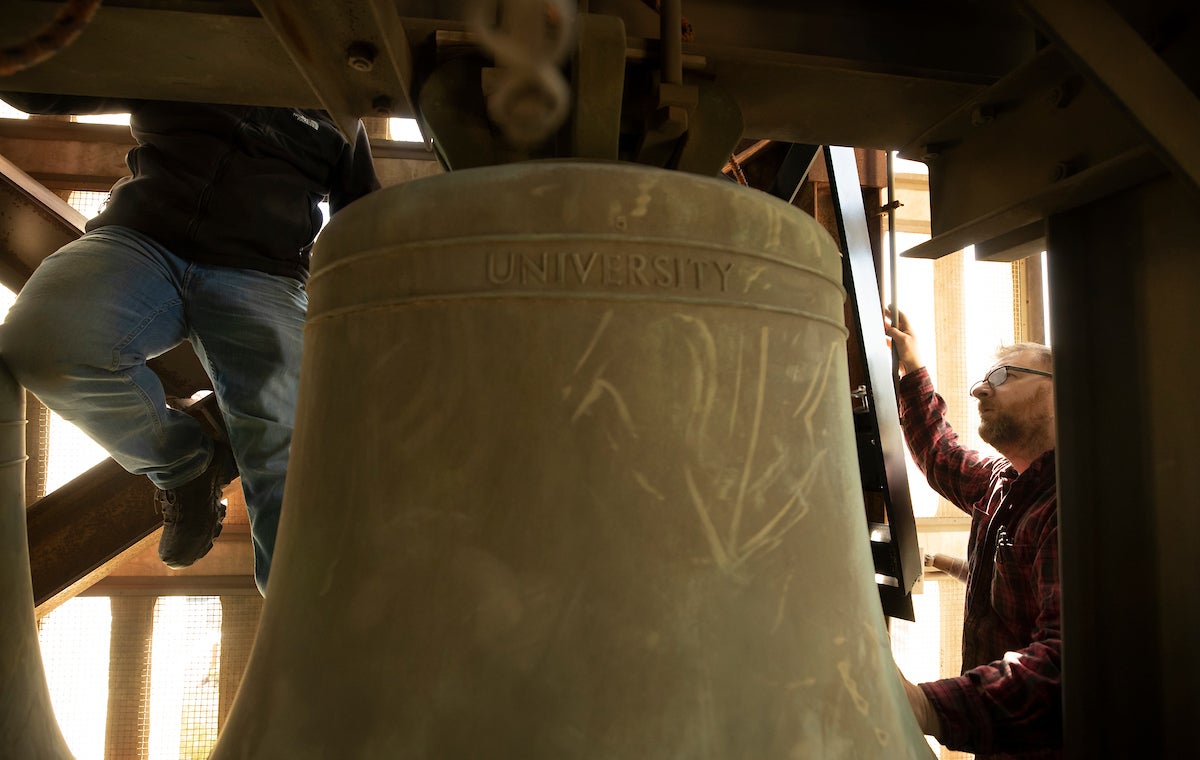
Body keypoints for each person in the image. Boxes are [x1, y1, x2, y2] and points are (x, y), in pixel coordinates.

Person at [0, 93, 380, 595]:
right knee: (44, 346)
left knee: (292, 444)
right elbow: (45, 92)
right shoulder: (183, 61)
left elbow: (363, 216)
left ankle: (300, 624)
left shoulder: (332, 101)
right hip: (138, 242)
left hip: (263, 273)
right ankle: (184, 467)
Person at [885, 309, 1062, 759]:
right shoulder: (1000, 481)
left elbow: (1062, 663)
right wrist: (912, 367)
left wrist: (926, 706)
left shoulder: (1072, 507)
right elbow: (940, 453)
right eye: (983, 379)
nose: (980, 388)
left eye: (1003, 376)